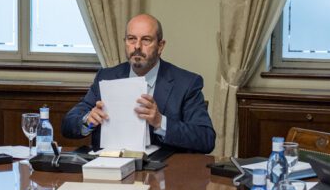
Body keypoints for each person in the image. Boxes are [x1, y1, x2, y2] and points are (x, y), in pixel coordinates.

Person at [62, 14, 215, 153]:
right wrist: (88, 121)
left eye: (146, 40)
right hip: (109, 168)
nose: (137, 46)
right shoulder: (107, 76)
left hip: (164, 173)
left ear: (160, 46)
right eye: (131, 39)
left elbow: (205, 138)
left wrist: (160, 122)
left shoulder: (186, 83)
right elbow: (68, 125)